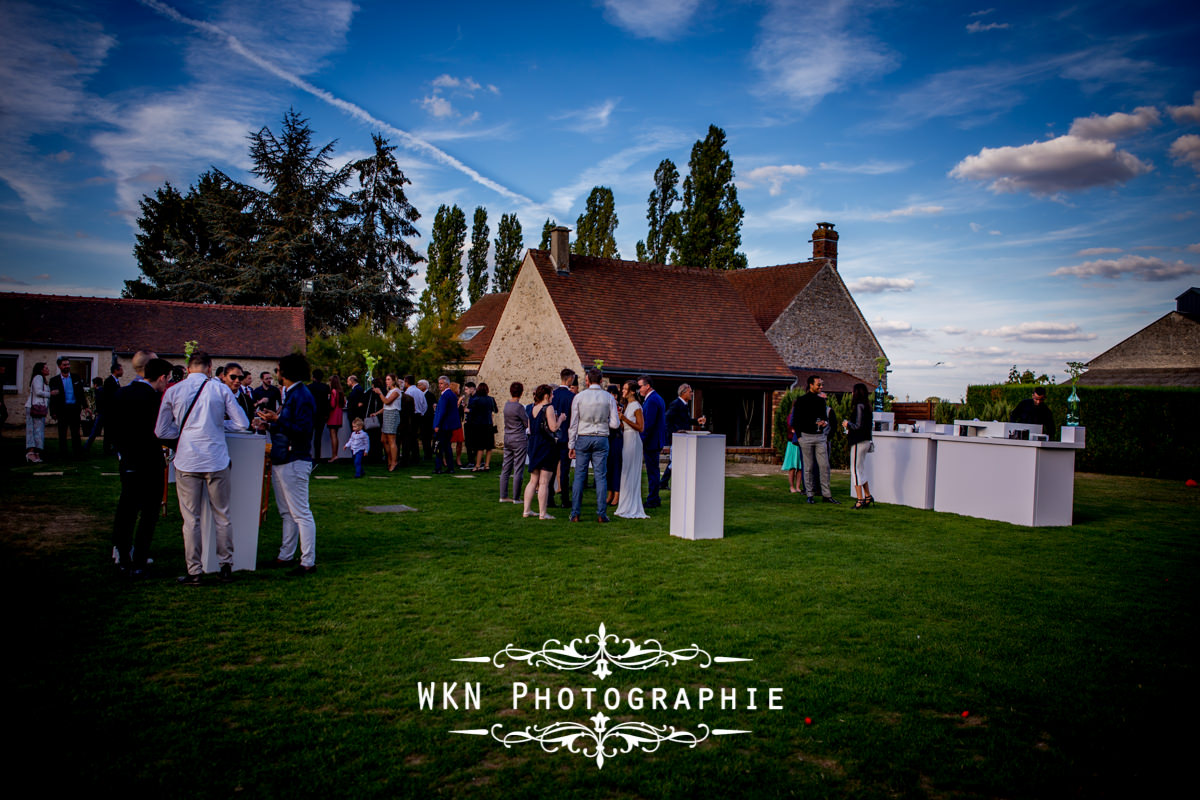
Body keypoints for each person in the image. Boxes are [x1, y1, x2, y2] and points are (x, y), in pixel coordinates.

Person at [155, 350, 249, 584]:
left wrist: (183, 434)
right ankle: (226, 565)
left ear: (188, 369)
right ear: (210, 368)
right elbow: (242, 423)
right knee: (222, 514)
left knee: (191, 519)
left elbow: (161, 431)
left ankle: (194, 571)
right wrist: (219, 426)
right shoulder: (220, 389)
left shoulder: (173, 391)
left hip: (187, 460)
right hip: (216, 458)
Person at [256, 353, 318, 576]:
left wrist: (276, 420)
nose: (276, 373)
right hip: (284, 457)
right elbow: (291, 426)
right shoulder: (292, 394)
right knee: (287, 512)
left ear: (287, 372)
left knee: (300, 512)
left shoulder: (301, 395)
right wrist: (270, 425)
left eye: (279, 369)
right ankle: (286, 554)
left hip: (294, 458)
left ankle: (308, 560)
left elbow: (303, 430)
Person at [111, 357, 172, 577]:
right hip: (149, 462)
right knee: (148, 514)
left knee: (126, 510)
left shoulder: (122, 393)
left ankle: (122, 555)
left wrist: (121, 452)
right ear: (163, 377)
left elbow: (112, 427)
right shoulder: (156, 399)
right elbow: (161, 431)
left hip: (127, 461)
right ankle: (139, 559)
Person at [568, 368, 620, 523]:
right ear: (602, 380)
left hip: (583, 436)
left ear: (587, 380)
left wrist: (571, 444)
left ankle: (575, 513)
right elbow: (615, 423)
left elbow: (574, 422)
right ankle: (601, 514)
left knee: (579, 476)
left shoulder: (579, 397)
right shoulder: (608, 397)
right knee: (601, 476)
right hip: (601, 436)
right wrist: (604, 422)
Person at [793, 375, 839, 505]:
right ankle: (809, 494)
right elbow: (796, 420)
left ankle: (826, 495)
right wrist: (800, 436)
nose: (821, 387)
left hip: (819, 437)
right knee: (808, 467)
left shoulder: (821, 401)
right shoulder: (801, 400)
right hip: (805, 437)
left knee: (824, 466)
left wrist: (823, 423)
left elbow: (824, 417)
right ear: (811, 385)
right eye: (818, 385)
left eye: (821, 385)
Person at [522, 384, 564, 520]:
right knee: (544, 481)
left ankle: (526, 510)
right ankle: (542, 513)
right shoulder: (548, 408)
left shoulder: (533, 408)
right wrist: (561, 419)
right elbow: (553, 427)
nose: (553, 397)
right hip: (546, 445)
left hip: (533, 445)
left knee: (533, 480)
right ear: (546, 395)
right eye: (551, 394)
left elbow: (530, 428)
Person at [662, 383, 707, 489]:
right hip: (677, 438)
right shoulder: (676, 404)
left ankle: (663, 483)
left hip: (682, 438)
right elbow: (667, 419)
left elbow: (685, 421)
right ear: (683, 393)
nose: (691, 394)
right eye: (690, 392)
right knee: (675, 460)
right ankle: (664, 483)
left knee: (674, 460)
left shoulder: (684, 405)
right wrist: (675, 432)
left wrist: (697, 421)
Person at [616, 380, 648, 519]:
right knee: (625, 472)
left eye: (625, 389)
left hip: (634, 441)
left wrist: (624, 419)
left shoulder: (636, 406)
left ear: (632, 391)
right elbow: (625, 426)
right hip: (626, 439)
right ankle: (624, 505)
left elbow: (641, 427)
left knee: (631, 471)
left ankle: (632, 506)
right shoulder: (627, 405)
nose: (623, 391)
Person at [842, 382, 875, 509]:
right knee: (860, 469)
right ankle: (867, 496)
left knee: (855, 470)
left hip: (858, 441)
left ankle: (859, 499)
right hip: (866, 440)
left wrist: (847, 424)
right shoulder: (868, 406)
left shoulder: (859, 407)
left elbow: (858, 425)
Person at [637, 374, 667, 508]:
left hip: (652, 442)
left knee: (653, 471)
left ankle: (653, 499)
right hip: (655, 441)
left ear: (647, 386)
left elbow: (648, 424)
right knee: (653, 470)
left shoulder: (653, 400)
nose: (639, 390)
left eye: (640, 387)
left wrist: (641, 441)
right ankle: (654, 497)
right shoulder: (656, 398)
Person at [49, 356, 86, 458]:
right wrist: (53, 412)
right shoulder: (54, 380)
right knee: (62, 433)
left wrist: (85, 406)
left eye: (68, 364)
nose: (67, 366)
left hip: (74, 408)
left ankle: (77, 453)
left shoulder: (76, 378)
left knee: (76, 432)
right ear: (60, 366)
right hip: (62, 410)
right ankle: (63, 454)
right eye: (64, 365)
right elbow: (53, 398)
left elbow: (81, 393)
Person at [499, 382, 528, 503]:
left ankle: (503, 495)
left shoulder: (506, 405)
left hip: (508, 437)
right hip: (519, 438)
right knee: (518, 468)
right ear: (521, 392)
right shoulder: (519, 407)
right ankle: (516, 497)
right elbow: (527, 423)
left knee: (506, 468)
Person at [551, 369, 576, 508]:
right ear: (569, 379)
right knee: (564, 470)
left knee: (551, 468)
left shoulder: (552, 395)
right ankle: (565, 500)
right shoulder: (572, 397)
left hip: (554, 437)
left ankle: (549, 498)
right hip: (566, 436)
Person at [86, 362, 123, 453]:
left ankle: (108, 448)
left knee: (109, 430)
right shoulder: (109, 381)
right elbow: (109, 397)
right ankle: (87, 447)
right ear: (116, 370)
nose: (122, 372)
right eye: (121, 370)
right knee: (97, 430)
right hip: (106, 411)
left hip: (110, 411)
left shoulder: (115, 381)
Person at [432, 376, 461, 474]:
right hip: (449, 425)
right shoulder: (452, 394)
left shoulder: (445, 395)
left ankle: (438, 467)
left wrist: (437, 424)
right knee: (447, 447)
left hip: (444, 425)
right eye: (439, 383)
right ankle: (450, 467)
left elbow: (442, 412)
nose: (439, 385)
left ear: (447, 384)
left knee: (440, 447)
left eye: (441, 383)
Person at [467, 382, 498, 471]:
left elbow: (472, 411)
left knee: (479, 446)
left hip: (479, 425)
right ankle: (487, 465)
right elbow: (495, 410)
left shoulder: (476, 400)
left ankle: (477, 465)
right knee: (489, 446)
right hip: (488, 424)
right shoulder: (491, 399)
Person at [24, 361, 51, 464]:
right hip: (34, 408)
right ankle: (30, 453)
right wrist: (50, 394)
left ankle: (36, 452)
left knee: (38, 431)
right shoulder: (38, 378)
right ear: (41, 370)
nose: (48, 370)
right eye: (46, 368)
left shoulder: (42, 379)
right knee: (33, 430)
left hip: (40, 408)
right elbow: (38, 392)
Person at [605, 385, 623, 508]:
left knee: (616, 466)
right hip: (607, 438)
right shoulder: (604, 407)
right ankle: (610, 492)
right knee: (608, 467)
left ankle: (617, 493)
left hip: (616, 438)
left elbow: (621, 425)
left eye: (613, 394)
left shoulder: (620, 408)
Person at [380, 374, 403, 471]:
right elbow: (385, 406)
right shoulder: (390, 391)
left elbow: (387, 402)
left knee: (391, 439)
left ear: (394, 381)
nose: (387, 381)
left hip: (392, 415)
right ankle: (389, 459)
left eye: (389, 379)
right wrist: (377, 413)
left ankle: (394, 461)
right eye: (386, 379)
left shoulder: (396, 391)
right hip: (386, 414)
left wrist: (379, 393)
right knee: (383, 439)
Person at [309, 369, 331, 459]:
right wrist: (327, 414)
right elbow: (327, 402)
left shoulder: (309, 387)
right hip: (321, 415)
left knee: (309, 436)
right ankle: (318, 456)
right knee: (318, 437)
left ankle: (308, 455)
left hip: (311, 415)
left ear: (313, 377)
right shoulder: (325, 387)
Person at [781, 399, 803, 494]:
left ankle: (798, 487)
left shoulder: (802, 416)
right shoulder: (791, 417)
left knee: (800, 467)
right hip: (793, 443)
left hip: (801, 443)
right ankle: (791, 487)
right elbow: (792, 429)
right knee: (793, 467)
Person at [402, 376, 424, 465]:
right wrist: (421, 413)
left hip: (410, 416)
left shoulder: (408, 392)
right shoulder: (420, 392)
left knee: (407, 438)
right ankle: (415, 456)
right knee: (414, 438)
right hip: (418, 415)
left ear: (406, 382)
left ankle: (406, 457)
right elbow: (424, 405)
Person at [326, 374, 344, 463]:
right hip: (339, 414)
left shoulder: (333, 391)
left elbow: (332, 404)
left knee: (332, 435)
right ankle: (335, 454)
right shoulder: (340, 391)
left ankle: (334, 455)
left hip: (333, 415)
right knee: (336, 435)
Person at [420, 379, 436, 462]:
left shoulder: (430, 395)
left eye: (420, 385)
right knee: (424, 437)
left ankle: (428, 454)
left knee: (427, 437)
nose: (418, 386)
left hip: (428, 419)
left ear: (425, 386)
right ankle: (426, 453)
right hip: (423, 419)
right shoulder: (421, 394)